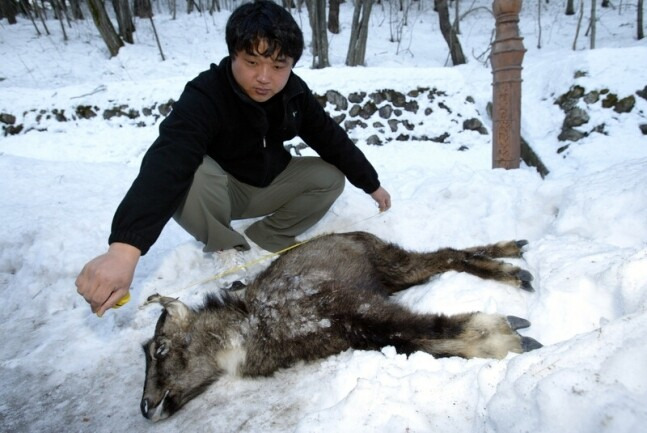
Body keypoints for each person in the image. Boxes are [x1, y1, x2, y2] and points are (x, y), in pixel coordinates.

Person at [76, 0, 391, 317]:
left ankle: (266, 236)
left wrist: (371, 184)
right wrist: (125, 248)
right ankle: (225, 244)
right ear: (233, 55)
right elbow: (168, 159)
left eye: (279, 66)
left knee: (329, 176)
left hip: (268, 184)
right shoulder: (206, 94)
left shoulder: (295, 93)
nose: (265, 77)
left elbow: (330, 138)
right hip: (217, 192)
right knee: (193, 168)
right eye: (252, 62)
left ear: (292, 64)